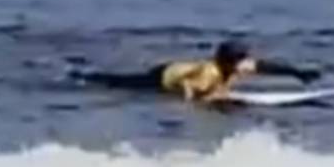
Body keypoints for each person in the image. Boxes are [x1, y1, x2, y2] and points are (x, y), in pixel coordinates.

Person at [79, 40, 320, 104]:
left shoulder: (238, 66)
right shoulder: (209, 74)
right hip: (162, 78)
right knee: (118, 82)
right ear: (229, 62)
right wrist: (203, 101)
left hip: (179, 69)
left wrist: (299, 73)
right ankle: (84, 76)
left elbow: (267, 67)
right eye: (242, 59)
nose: (248, 63)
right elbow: (187, 88)